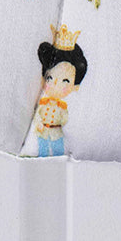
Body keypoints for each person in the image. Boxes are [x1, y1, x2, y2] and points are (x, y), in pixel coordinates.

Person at [32, 25, 87, 157]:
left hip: (56, 132)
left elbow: (64, 118)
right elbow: (38, 115)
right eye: (49, 78)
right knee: (42, 148)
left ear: (75, 86)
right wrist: (38, 123)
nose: (55, 84)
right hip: (43, 131)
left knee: (57, 149)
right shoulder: (43, 103)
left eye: (65, 81)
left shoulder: (62, 107)